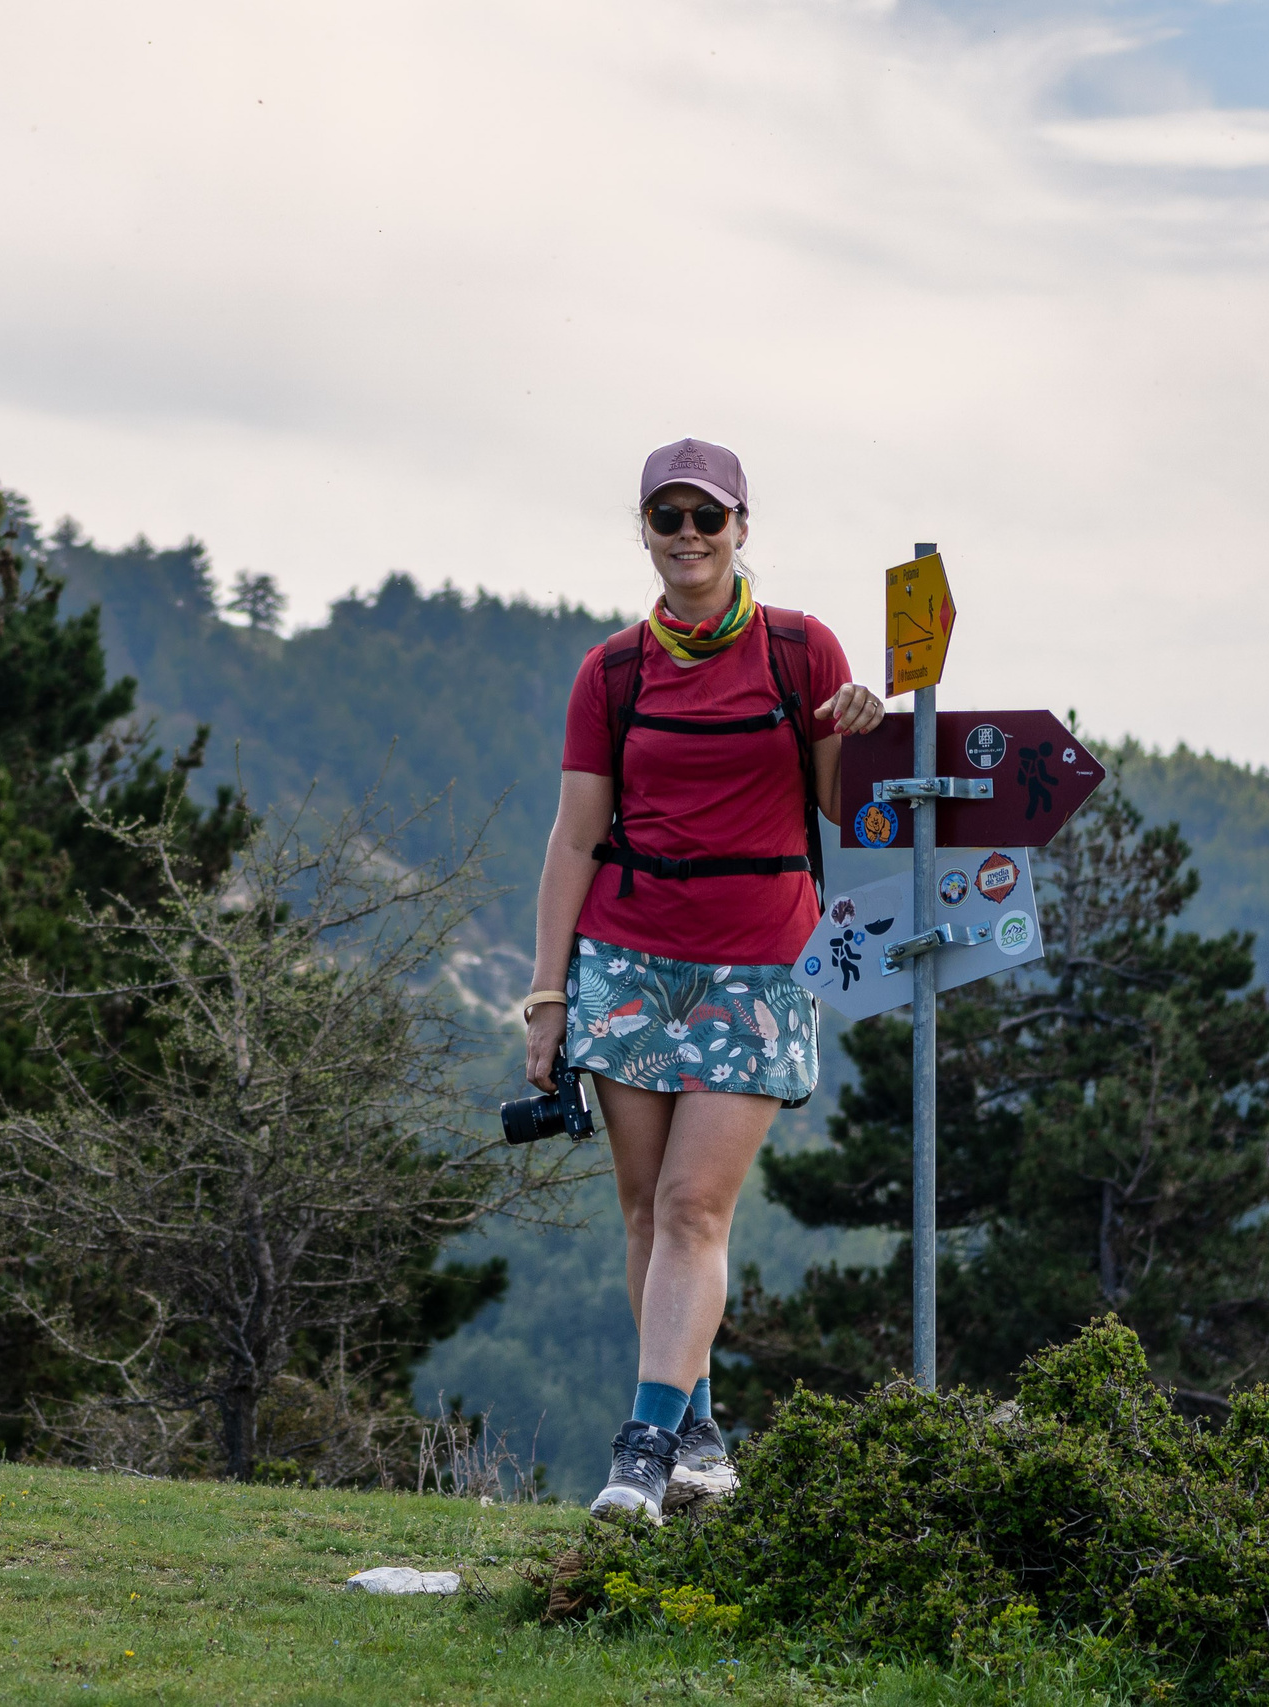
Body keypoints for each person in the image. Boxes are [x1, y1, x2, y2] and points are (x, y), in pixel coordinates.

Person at [524, 437, 885, 1522]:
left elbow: (842, 808)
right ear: (643, 530)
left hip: (760, 965)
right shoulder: (613, 671)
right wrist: (546, 998)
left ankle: (638, 1450)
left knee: (692, 1207)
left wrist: (860, 733)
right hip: (626, 959)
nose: (688, 536)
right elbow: (571, 841)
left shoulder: (798, 651)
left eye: (706, 518)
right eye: (667, 517)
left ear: (740, 530)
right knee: (643, 1212)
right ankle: (699, 1439)